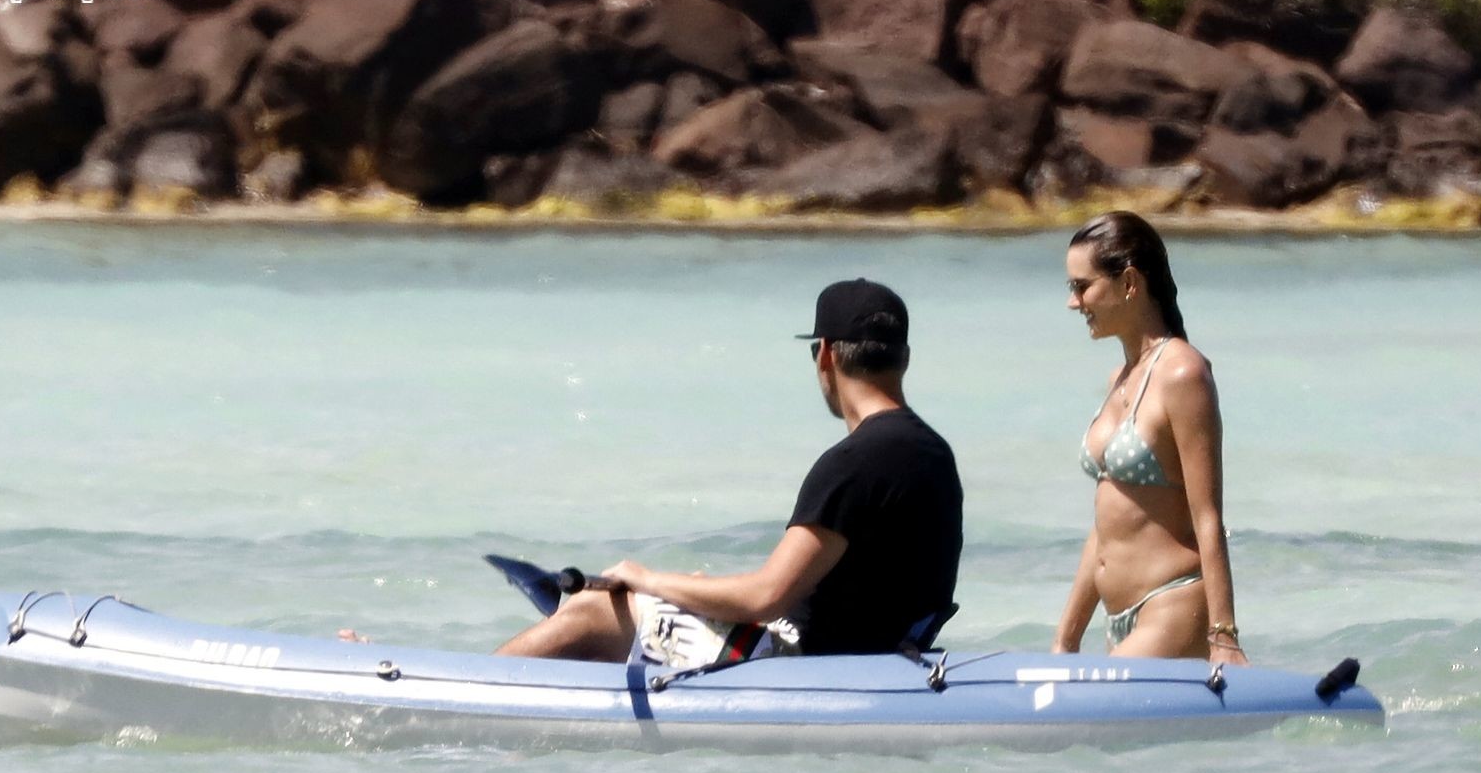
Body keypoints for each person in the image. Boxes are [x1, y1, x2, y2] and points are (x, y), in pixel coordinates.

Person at [493, 278, 963, 666]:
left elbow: (767, 597)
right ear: (904, 357)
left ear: (826, 355)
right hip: (879, 657)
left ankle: (471, 696)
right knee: (655, 605)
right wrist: (692, 591)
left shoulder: (854, 462)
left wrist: (646, 579)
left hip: (802, 662)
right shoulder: (933, 452)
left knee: (596, 610)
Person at [1053, 212, 1248, 665]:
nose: (1073, 303)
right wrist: (1066, 638)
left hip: (1172, 606)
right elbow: (1107, 524)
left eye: (1082, 287)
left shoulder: (1183, 374)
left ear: (1129, 283)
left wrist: (1223, 635)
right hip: (1117, 619)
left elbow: (1207, 516)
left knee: (1095, 710)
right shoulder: (1119, 379)